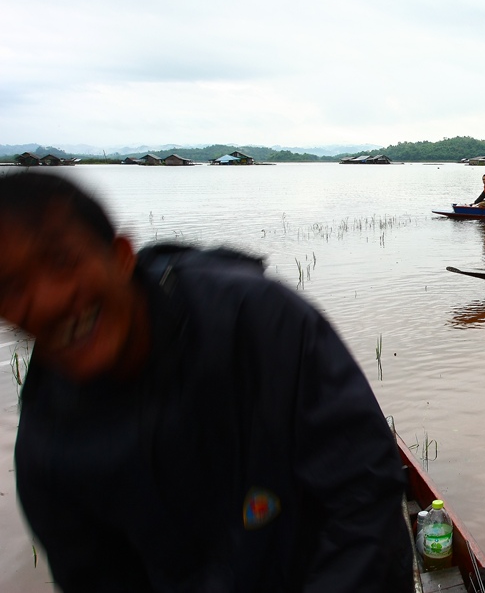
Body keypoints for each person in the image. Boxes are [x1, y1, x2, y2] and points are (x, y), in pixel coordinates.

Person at [0, 172, 413, 593]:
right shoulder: (47, 450)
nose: (48, 301)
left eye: (62, 262)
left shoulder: (255, 321)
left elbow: (362, 493)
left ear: (121, 256)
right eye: (12, 288)